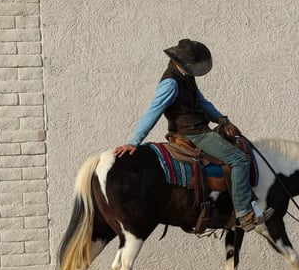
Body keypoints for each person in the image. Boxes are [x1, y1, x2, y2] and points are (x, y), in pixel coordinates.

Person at [114, 39, 272, 231]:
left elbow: (202, 102)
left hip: (199, 129)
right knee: (239, 160)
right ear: (183, 62)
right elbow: (153, 111)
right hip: (194, 134)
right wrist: (134, 142)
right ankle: (244, 214)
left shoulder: (186, 77)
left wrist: (222, 119)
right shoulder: (171, 83)